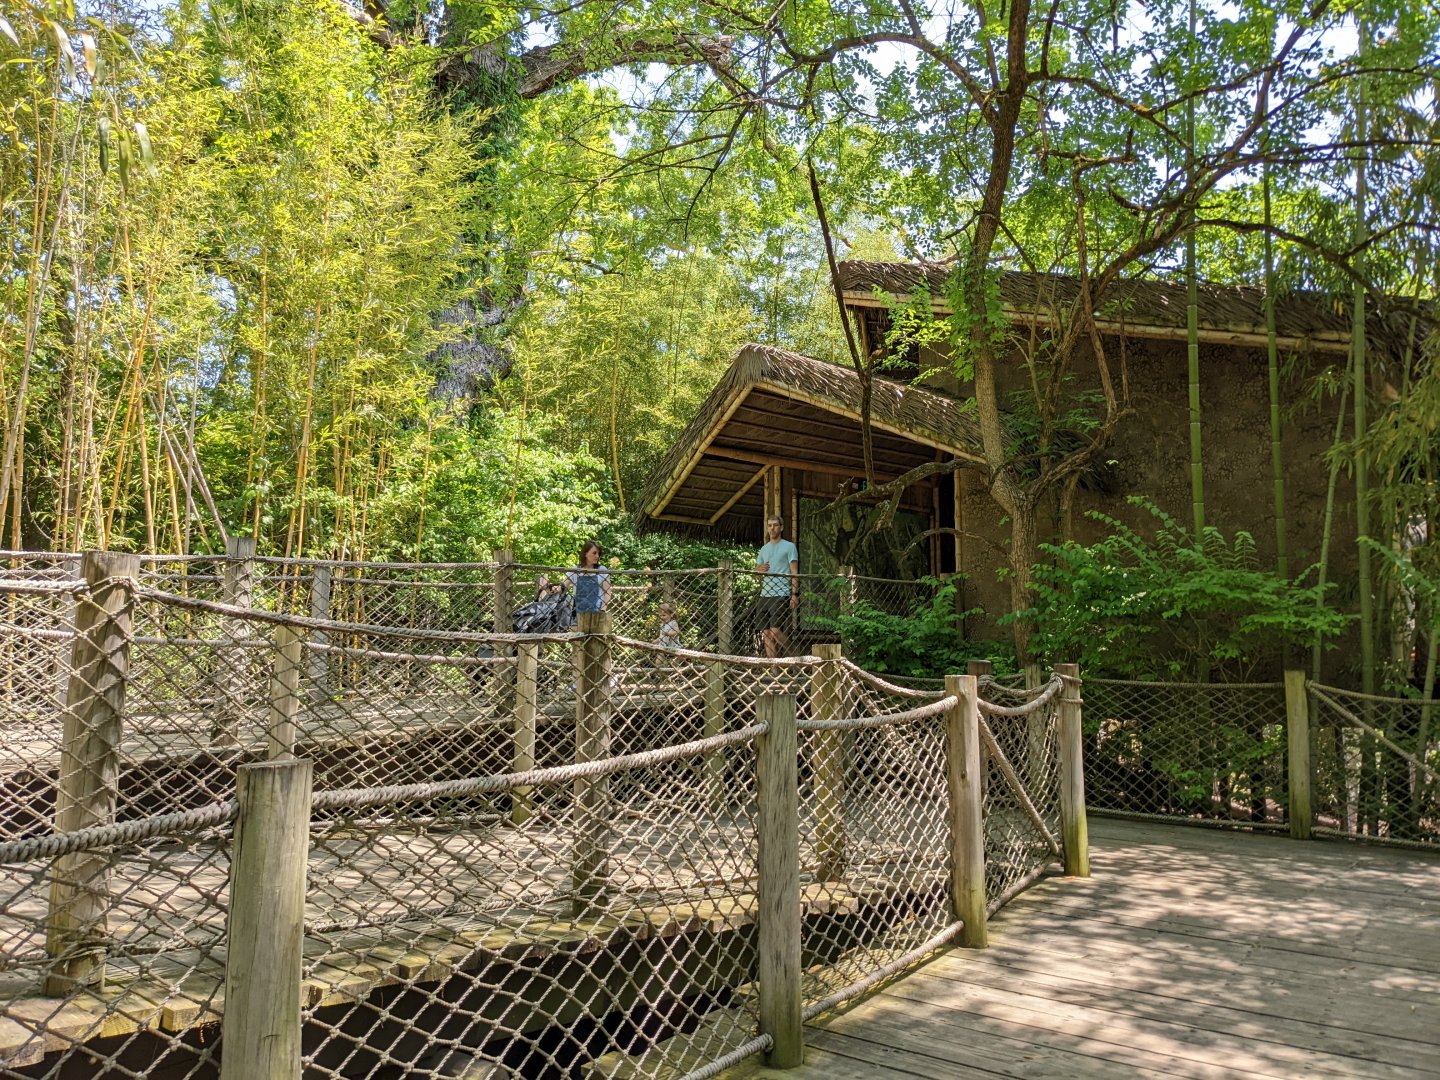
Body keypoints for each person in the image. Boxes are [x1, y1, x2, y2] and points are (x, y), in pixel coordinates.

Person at [753, 515, 798, 657]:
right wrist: (757, 570)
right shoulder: (763, 549)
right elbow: (757, 572)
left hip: (781, 593)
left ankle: (796, 656)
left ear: (781, 527)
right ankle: (774, 670)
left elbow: (795, 572)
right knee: (765, 633)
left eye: (775, 525)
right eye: (770, 525)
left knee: (775, 631)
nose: (772, 528)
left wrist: (794, 594)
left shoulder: (789, 547)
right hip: (764, 595)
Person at [566, 540, 611, 623]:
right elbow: (563, 586)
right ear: (585, 554)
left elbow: (607, 593)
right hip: (577, 616)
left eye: (599, 554)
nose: (597, 556)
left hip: (596, 616)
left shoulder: (602, 570)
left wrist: (602, 611)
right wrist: (553, 588)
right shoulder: (575, 570)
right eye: (594, 553)